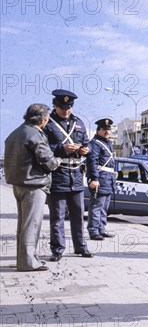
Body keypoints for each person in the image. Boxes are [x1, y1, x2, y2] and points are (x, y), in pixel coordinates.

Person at [4, 104, 62, 272]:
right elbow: (49, 162)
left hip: (18, 184)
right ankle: (28, 262)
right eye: (47, 118)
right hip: (34, 184)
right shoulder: (35, 134)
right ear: (42, 119)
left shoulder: (15, 133)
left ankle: (23, 260)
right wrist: (57, 160)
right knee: (32, 225)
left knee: (23, 224)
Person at [44, 89, 93, 261]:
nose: (66, 111)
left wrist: (86, 150)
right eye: (63, 108)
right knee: (57, 216)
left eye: (69, 108)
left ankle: (81, 247)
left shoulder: (78, 122)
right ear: (55, 106)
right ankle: (57, 250)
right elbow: (41, 148)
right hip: (57, 176)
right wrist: (61, 149)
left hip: (76, 176)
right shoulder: (47, 124)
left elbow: (87, 144)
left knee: (78, 215)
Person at [87, 118, 116, 240]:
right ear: (98, 130)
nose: (107, 132)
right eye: (104, 129)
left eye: (108, 130)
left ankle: (101, 229)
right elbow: (92, 161)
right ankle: (93, 230)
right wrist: (94, 178)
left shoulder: (108, 143)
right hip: (100, 177)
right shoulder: (95, 143)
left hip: (109, 178)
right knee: (97, 205)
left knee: (105, 206)